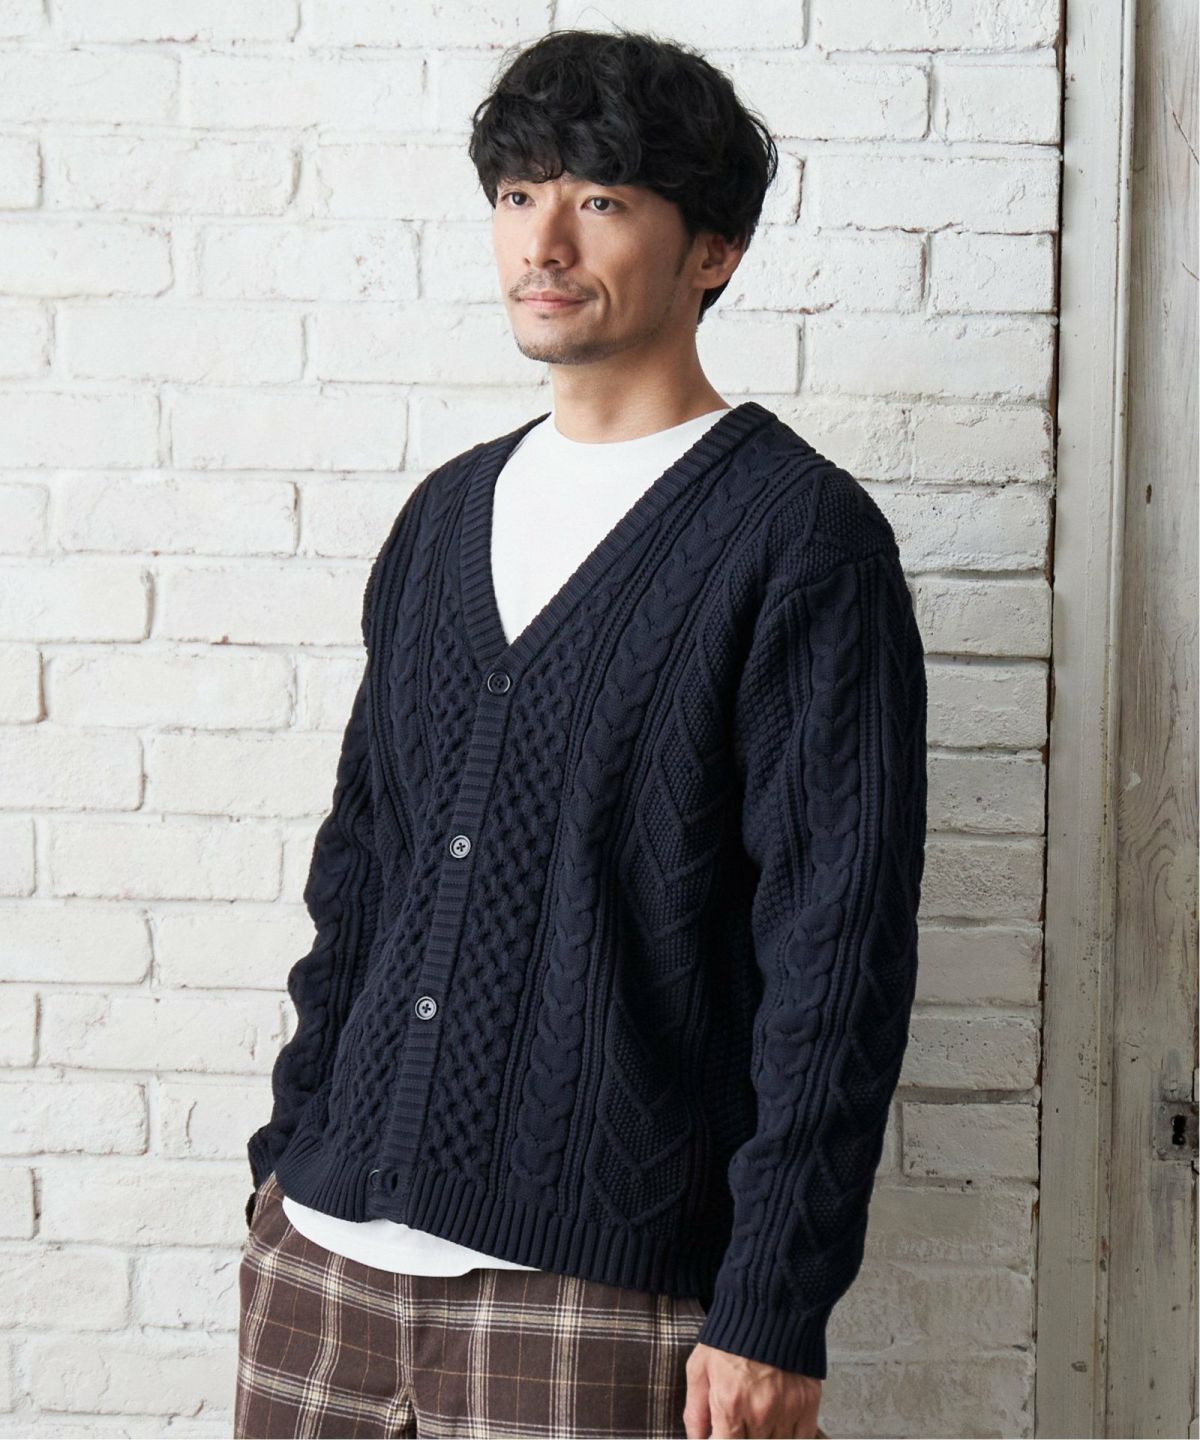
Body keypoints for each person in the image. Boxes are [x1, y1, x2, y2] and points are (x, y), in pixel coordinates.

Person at [235, 25, 926, 1440]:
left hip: (596, 1293)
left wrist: (772, 1305)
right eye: (516, 195)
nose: (542, 243)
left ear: (712, 250)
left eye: (600, 199)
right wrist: (286, 1157)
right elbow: (361, 875)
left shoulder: (799, 541)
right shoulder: (444, 517)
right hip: (323, 1265)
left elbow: (836, 955)